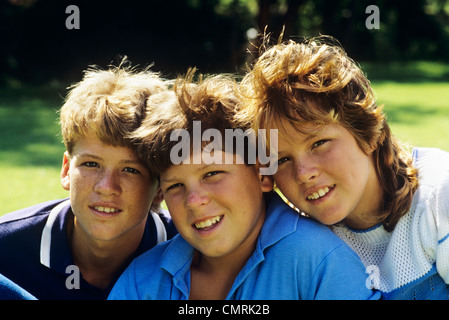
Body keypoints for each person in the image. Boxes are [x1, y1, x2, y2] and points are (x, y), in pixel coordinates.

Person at [108, 71, 380, 300]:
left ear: (263, 173)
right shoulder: (142, 281)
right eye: (175, 186)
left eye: (213, 174)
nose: (194, 200)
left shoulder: (318, 261)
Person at [238, 36, 449, 299]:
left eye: (319, 143)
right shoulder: (304, 243)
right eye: (281, 159)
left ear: (368, 133)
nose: (304, 173)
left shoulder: (438, 194)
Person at [0, 62, 177, 299]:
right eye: (91, 164)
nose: (106, 187)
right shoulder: (7, 249)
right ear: (66, 171)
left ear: (159, 188)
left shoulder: (191, 254)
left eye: (130, 170)